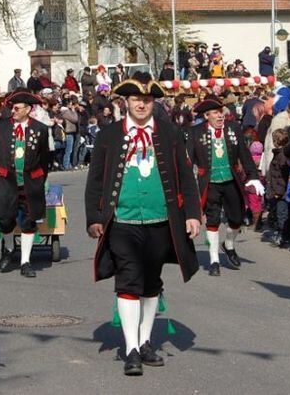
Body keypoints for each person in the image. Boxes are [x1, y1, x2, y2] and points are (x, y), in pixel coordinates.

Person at [84, 72, 201, 376]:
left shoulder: (170, 132)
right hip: (121, 222)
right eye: (136, 99)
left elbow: (186, 176)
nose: (141, 104)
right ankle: (131, 348)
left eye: (147, 99)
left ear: (153, 103)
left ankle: (146, 341)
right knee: (128, 280)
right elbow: (95, 180)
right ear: (126, 101)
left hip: (161, 221)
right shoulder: (108, 135)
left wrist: (192, 213)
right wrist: (93, 219)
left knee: (152, 284)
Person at [0, 89, 51, 277]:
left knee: (29, 222)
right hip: (6, 181)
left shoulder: (41, 129)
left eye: (17, 108)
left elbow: (45, 158)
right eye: (12, 108)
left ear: (28, 109)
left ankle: (25, 262)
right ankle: (10, 249)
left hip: (30, 183)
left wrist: (41, 180)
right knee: (5, 220)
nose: (13, 111)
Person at [188, 97, 258, 275]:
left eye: (221, 112)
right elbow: (188, 161)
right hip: (210, 184)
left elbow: (244, 153)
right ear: (206, 116)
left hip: (231, 181)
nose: (220, 116)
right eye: (216, 113)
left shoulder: (233, 128)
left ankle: (228, 244)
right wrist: (186, 185)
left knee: (236, 219)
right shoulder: (195, 132)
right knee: (212, 220)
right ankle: (214, 261)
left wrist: (253, 176)